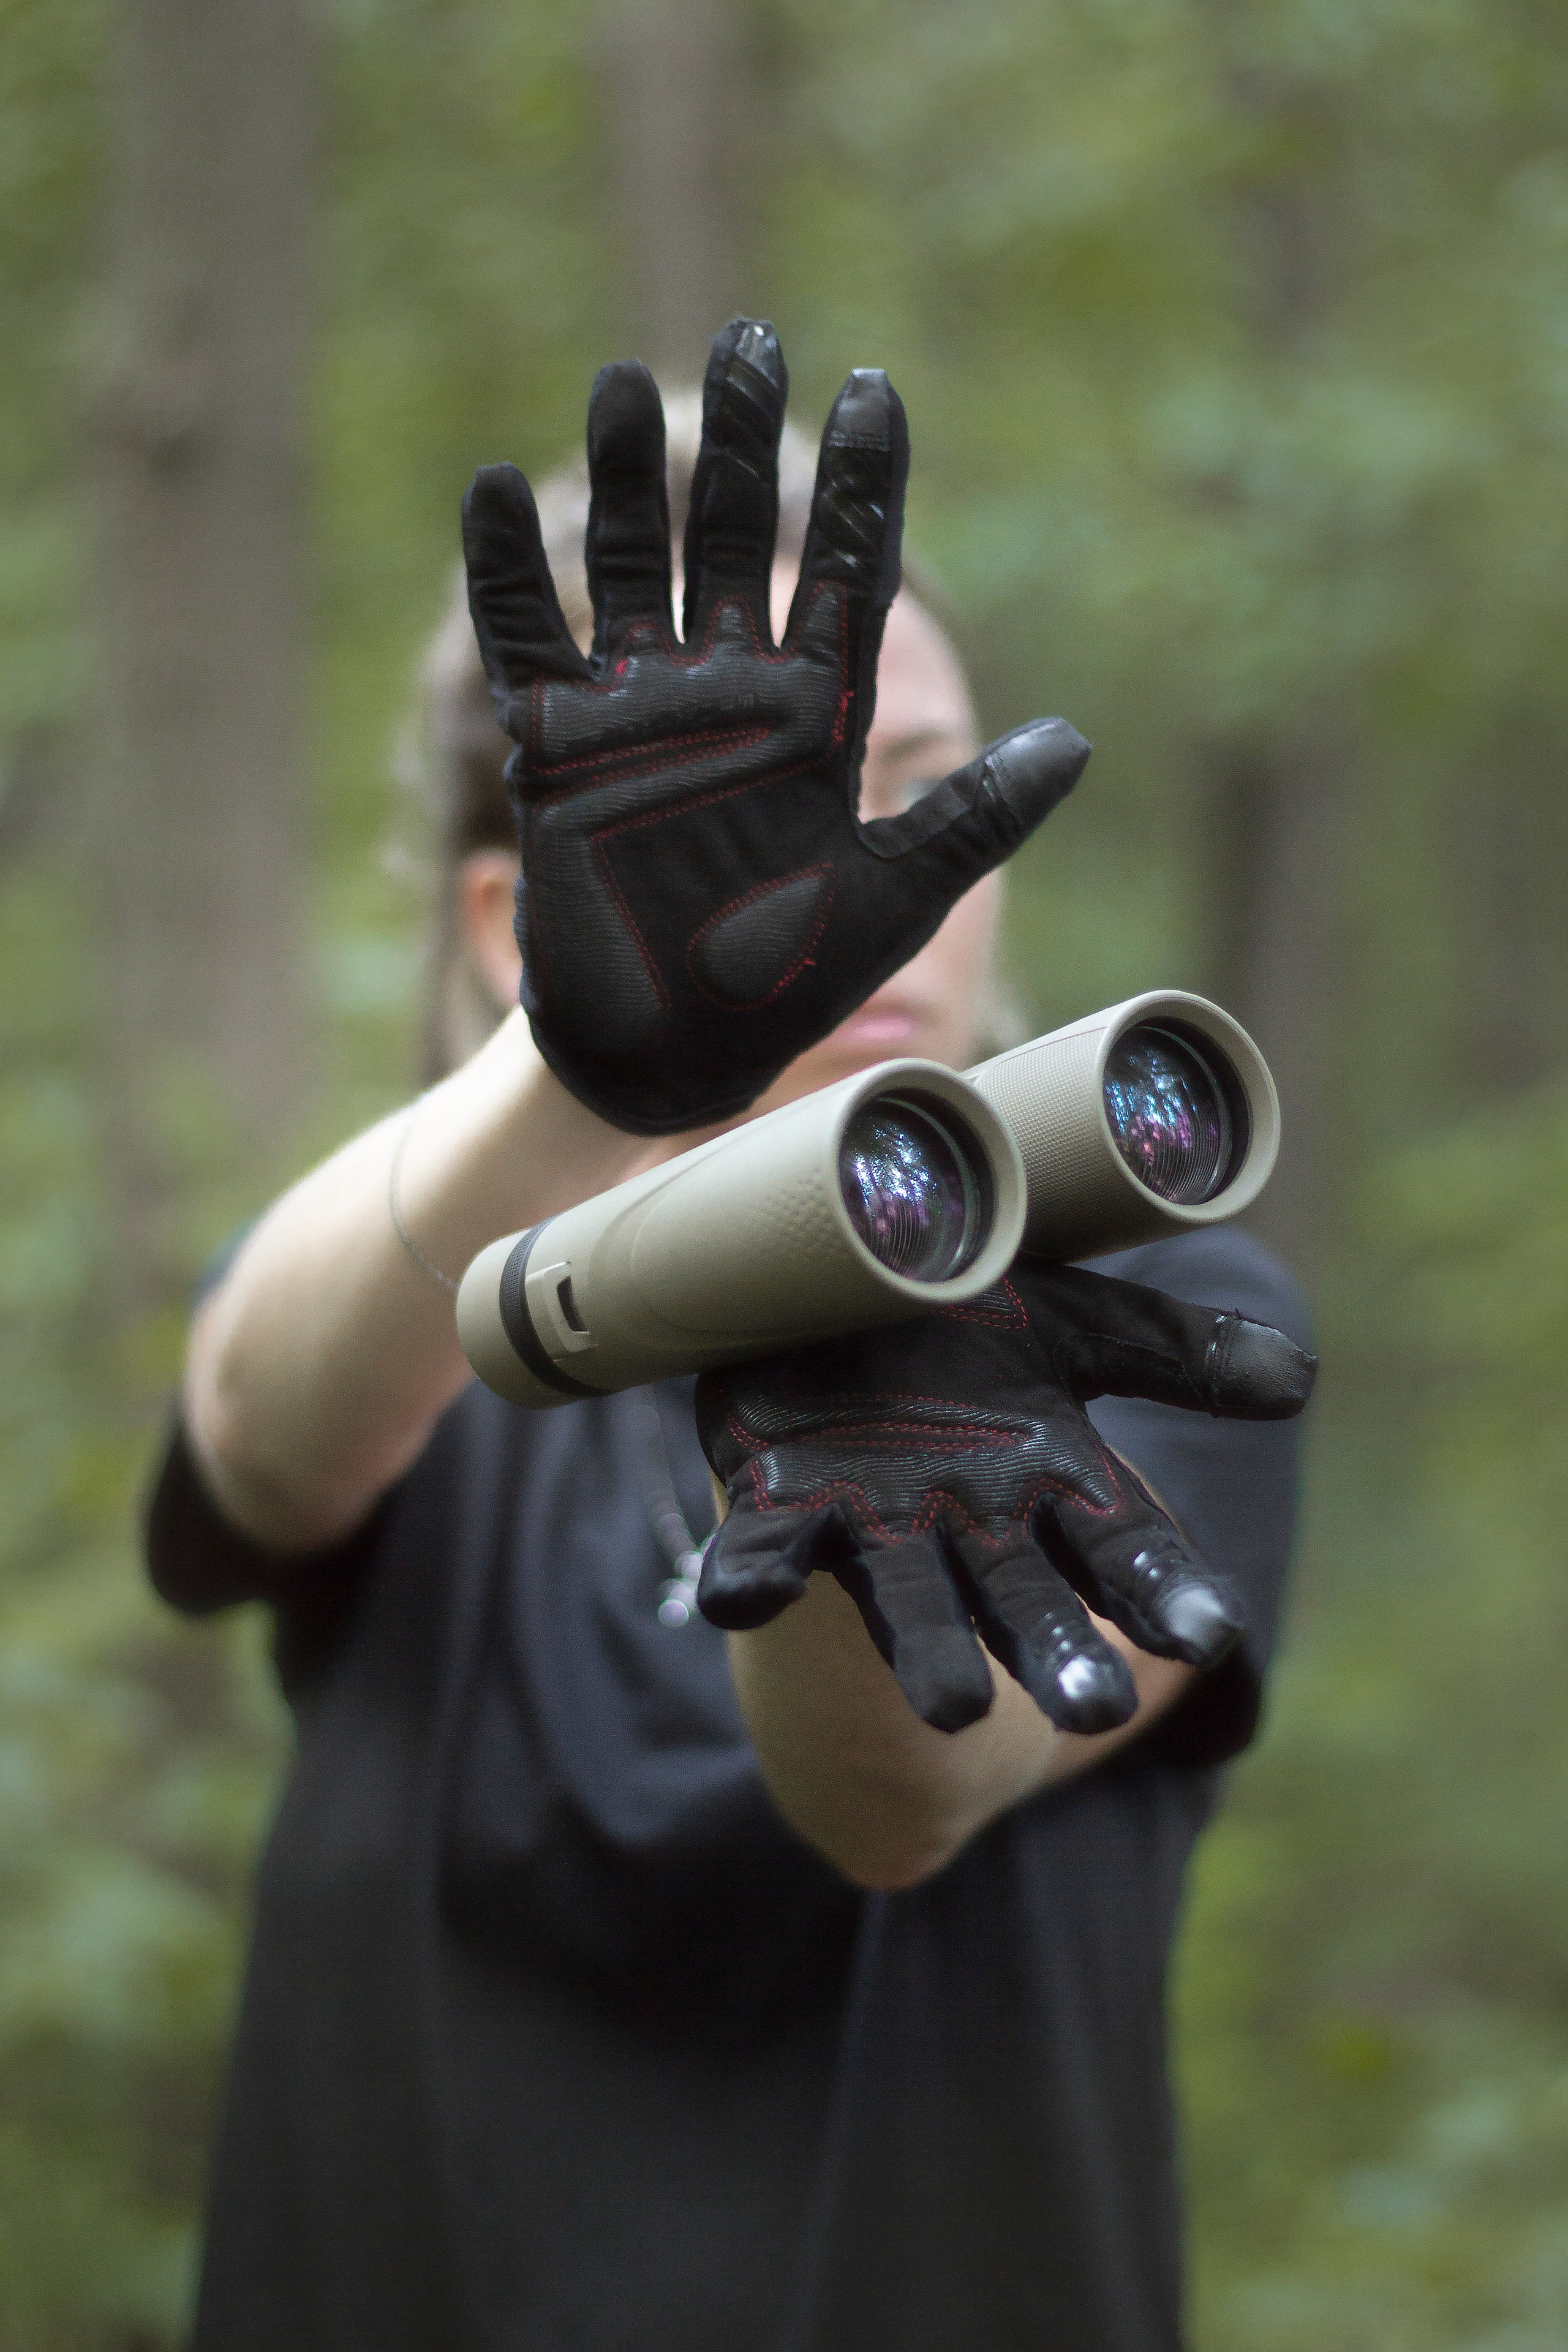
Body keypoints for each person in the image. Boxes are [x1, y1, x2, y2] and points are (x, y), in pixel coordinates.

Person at [145, 321, 1312, 2352]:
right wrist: (594, 1075)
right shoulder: (432, 1323)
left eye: (919, 796)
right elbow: (262, 1441)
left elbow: (900, 1799)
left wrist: (859, 1308)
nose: (877, 890)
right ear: (521, 928)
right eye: (785, 813)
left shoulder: (1148, 1314)